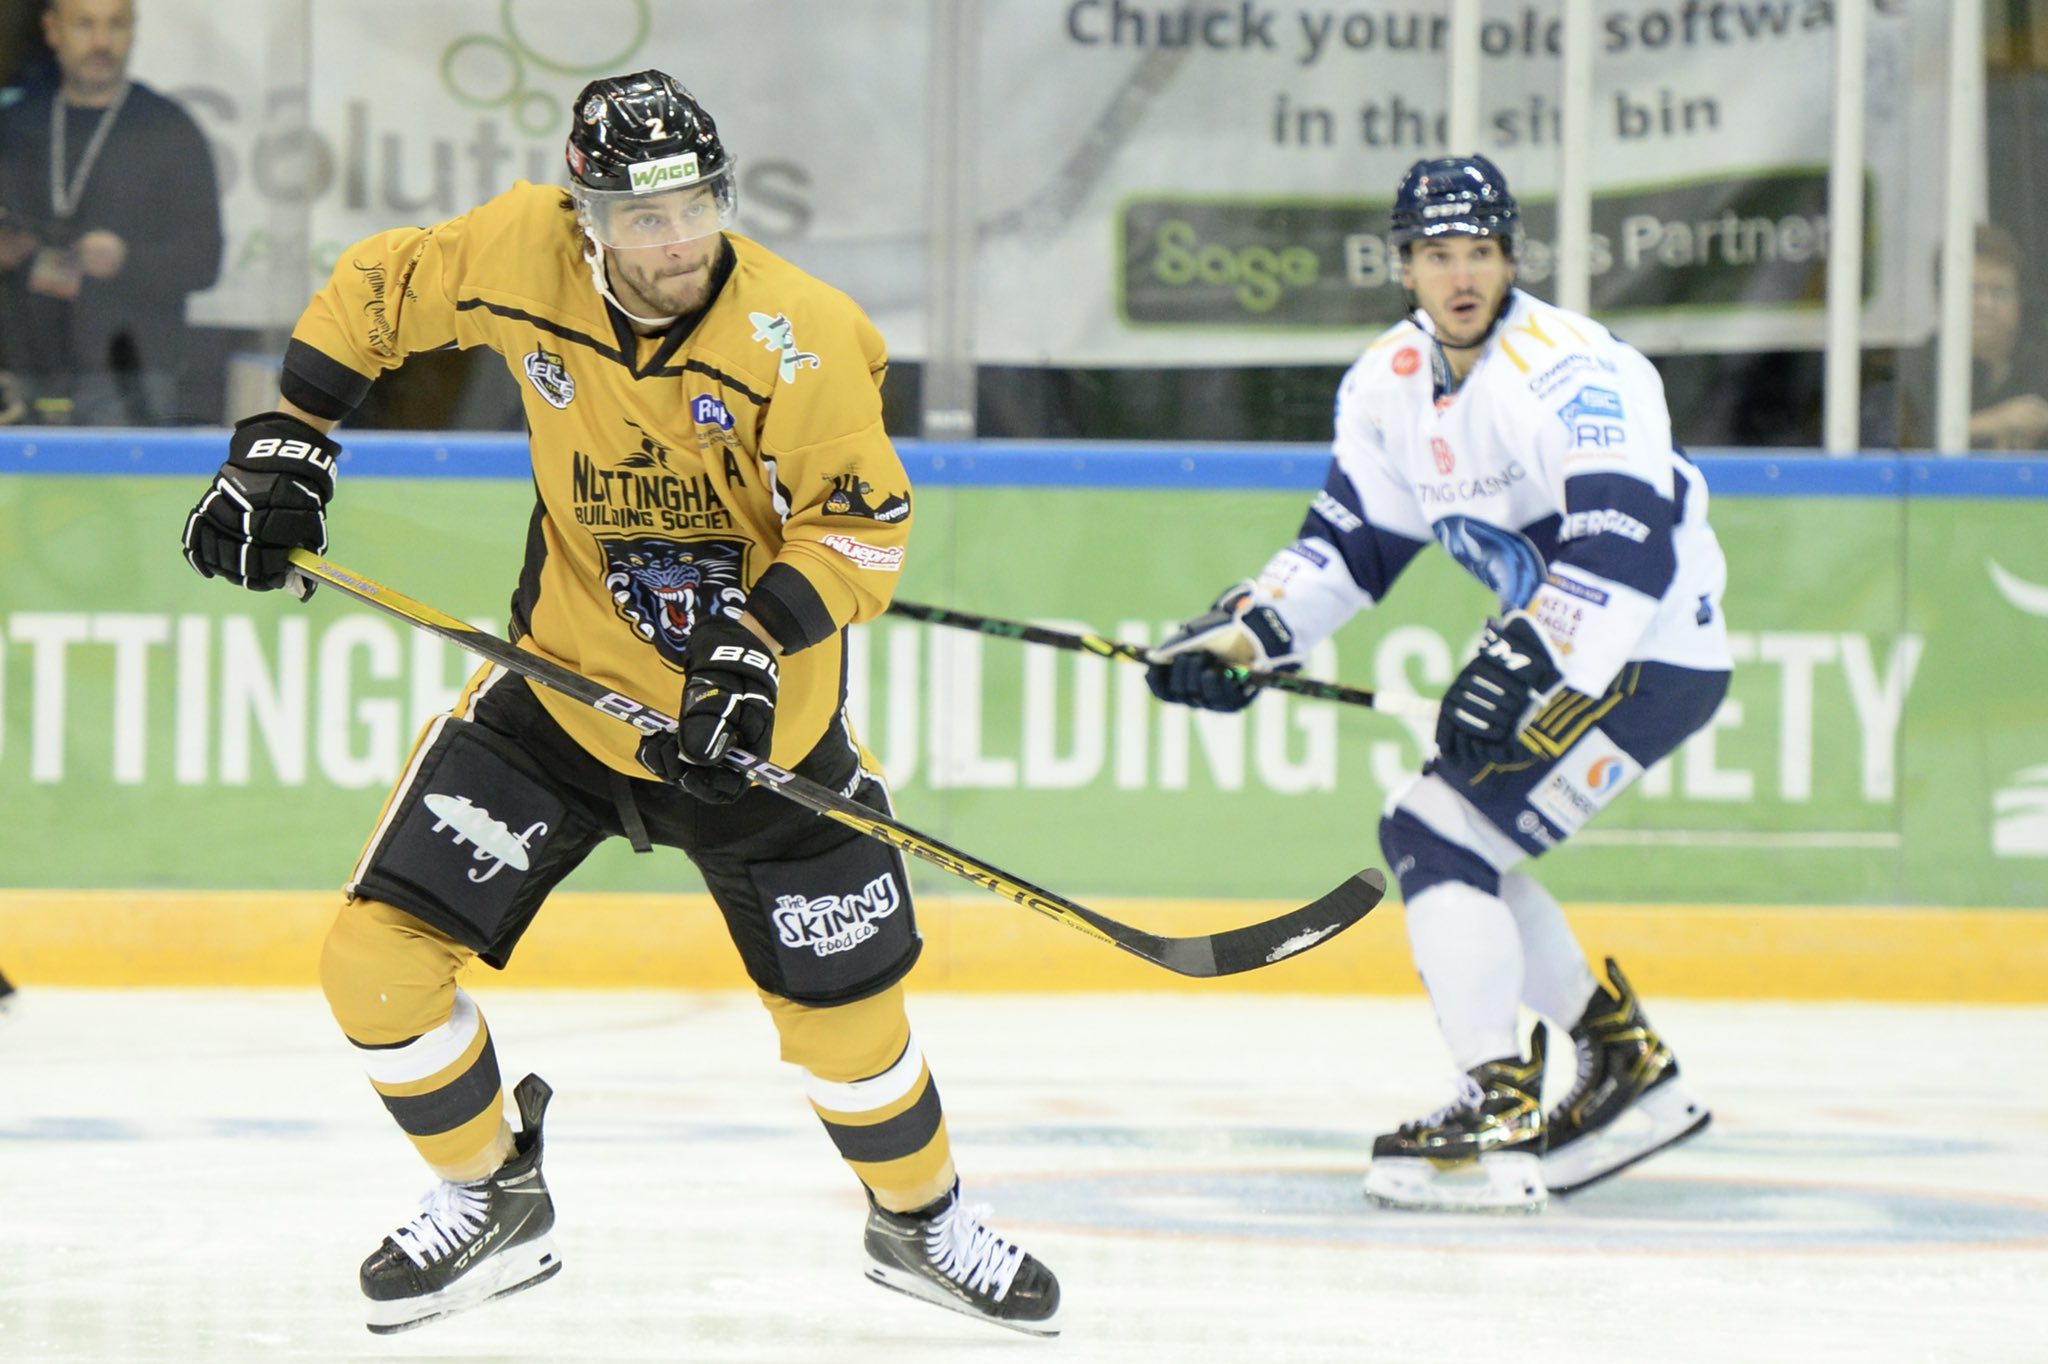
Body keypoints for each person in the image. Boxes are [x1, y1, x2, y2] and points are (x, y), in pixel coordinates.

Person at [177, 71, 1059, 1336]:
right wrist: (289, 433)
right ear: (584, 216)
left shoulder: (799, 339)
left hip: (760, 740)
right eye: (641, 219)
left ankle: (920, 1222)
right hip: (565, 701)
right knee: (373, 966)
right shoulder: (515, 249)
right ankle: (491, 1196)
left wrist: (754, 648)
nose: (675, 243)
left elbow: (861, 534)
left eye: (695, 207)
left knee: (848, 1029)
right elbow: (376, 290)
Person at [1146, 155, 1727, 1213]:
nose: (1458, 275)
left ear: (1508, 259)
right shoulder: (1387, 385)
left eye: (1478, 252)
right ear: (1403, 265)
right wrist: (1247, 636)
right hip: (1586, 650)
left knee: (1431, 831)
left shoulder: (1572, 370)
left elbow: (1624, 545)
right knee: (1456, 837)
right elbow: (1345, 546)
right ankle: (1619, 1062)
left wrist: (1522, 656)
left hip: (1641, 649)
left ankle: (1498, 1101)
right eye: (1434, 254)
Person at [0, 0, 222, 425]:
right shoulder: (15, 125)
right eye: (85, 25)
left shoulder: (167, 129)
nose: (102, 42)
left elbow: (204, 260)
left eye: (116, 25)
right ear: (52, 30)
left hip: (130, 371)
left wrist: (127, 260)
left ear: (134, 32)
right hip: (20, 361)